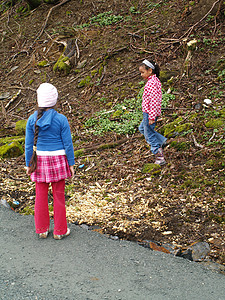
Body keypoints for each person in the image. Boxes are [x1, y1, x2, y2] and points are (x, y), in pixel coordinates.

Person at [25, 83, 75, 240]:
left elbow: (28, 145)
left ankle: (41, 229)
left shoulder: (31, 120)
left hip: (39, 161)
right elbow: (68, 144)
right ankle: (60, 230)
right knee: (59, 196)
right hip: (59, 160)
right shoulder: (61, 119)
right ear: (55, 101)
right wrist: (71, 164)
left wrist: (28, 164)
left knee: (40, 195)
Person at [138, 59, 167, 165]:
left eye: (142, 72)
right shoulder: (153, 81)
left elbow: (154, 101)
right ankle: (162, 141)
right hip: (148, 112)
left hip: (149, 113)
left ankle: (159, 157)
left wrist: (151, 116)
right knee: (142, 128)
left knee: (149, 134)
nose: (141, 75)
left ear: (150, 70)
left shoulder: (152, 83)